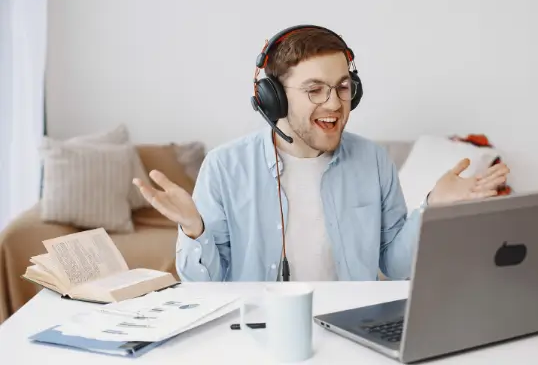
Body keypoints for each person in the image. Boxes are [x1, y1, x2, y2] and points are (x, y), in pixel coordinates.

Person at [133, 25, 510, 283]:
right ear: (273, 98)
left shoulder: (373, 161)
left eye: (343, 87)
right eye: (314, 90)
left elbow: (395, 267)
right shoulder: (224, 166)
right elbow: (205, 283)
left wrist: (433, 207)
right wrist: (193, 229)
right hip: (259, 331)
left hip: (351, 327)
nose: (333, 103)